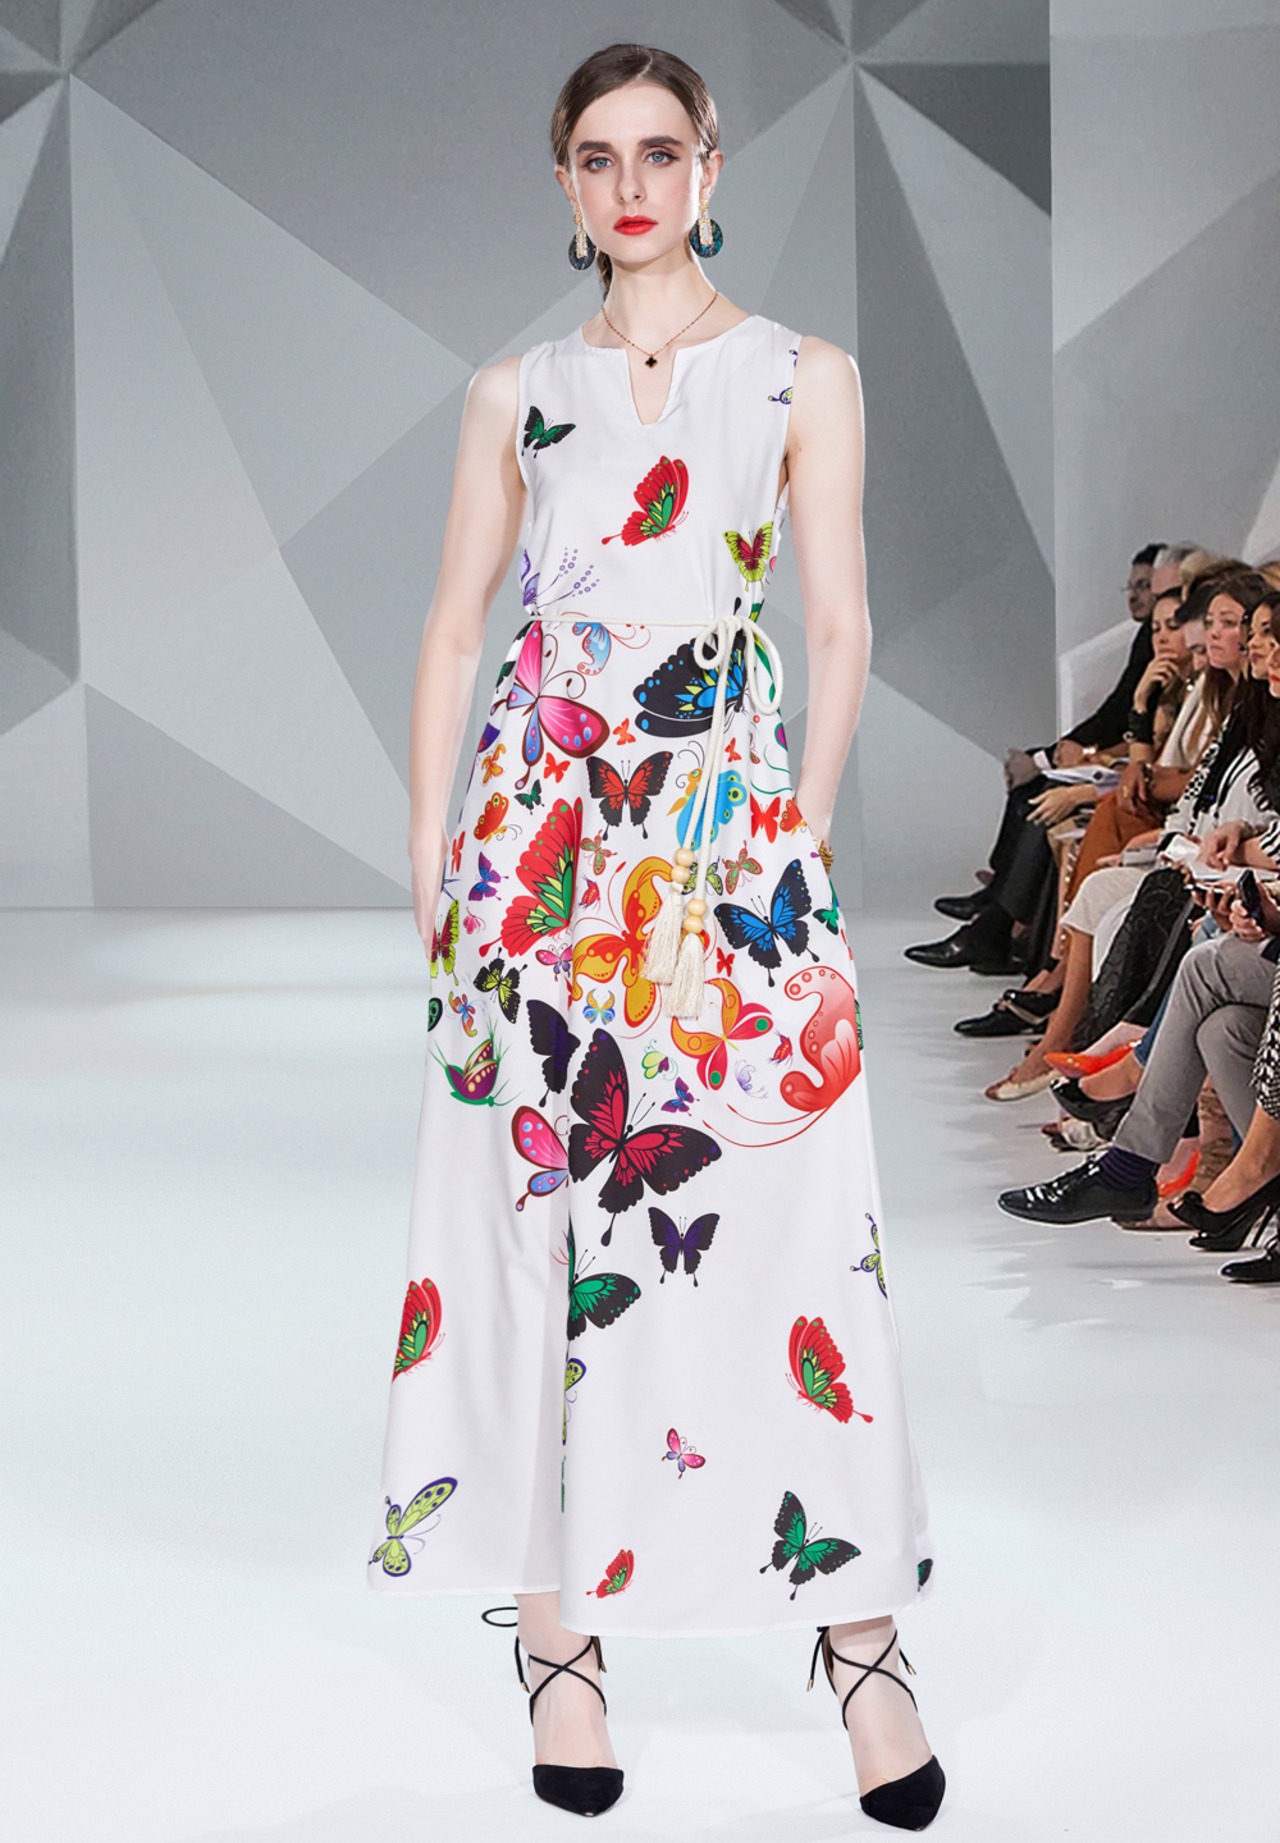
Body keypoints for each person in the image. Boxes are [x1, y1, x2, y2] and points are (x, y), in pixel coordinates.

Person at [366, 42, 944, 1833]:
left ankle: (860, 1641)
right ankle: (561, 1640)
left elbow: (836, 623)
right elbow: (454, 627)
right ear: (564, 184)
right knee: (541, 1226)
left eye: (662, 152)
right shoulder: (514, 392)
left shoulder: (802, 375)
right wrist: (430, 852)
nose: (632, 184)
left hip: (727, 839)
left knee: (790, 1226)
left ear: (711, 170)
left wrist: (794, 831)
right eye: (599, 157)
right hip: (538, 852)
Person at [904, 543, 1193, 974]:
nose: (1160, 625)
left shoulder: (1195, 690)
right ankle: (1009, 927)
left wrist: (1086, 768)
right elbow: (1134, 744)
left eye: (1174, 616)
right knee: (1046, 797)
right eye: (1145, 596)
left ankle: (1017, 942)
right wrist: (1086, 752)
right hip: (1142, 795)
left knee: (1055, 802)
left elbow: (1155, 763)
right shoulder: (1173, 681)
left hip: (1161, 812)